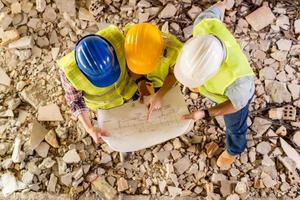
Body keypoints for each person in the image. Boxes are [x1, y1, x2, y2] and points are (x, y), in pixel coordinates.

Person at [174, 1, 255, 168]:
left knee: (235, 127)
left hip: (232, 100)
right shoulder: (204, 24)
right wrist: (224, 5)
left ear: (214, 71)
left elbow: (235, 105)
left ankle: (234, 150)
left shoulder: (240, 83)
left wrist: (205, 113)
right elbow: (216, 10)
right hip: (217, 88)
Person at [57, 25, 138, 144]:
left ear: (111, 49)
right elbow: (76, 101)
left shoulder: (118, 37)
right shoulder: (69, 73)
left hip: (131, 89)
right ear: (81, 69)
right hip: (105, 107)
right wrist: (89, 128)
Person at [124, 23, 183, 120]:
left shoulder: (176, 51)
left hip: (162, 82)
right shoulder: (131, 35)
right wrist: (140, 82)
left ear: (159, 55)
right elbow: (131, 64)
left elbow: (174, 75)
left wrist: (160, 95)